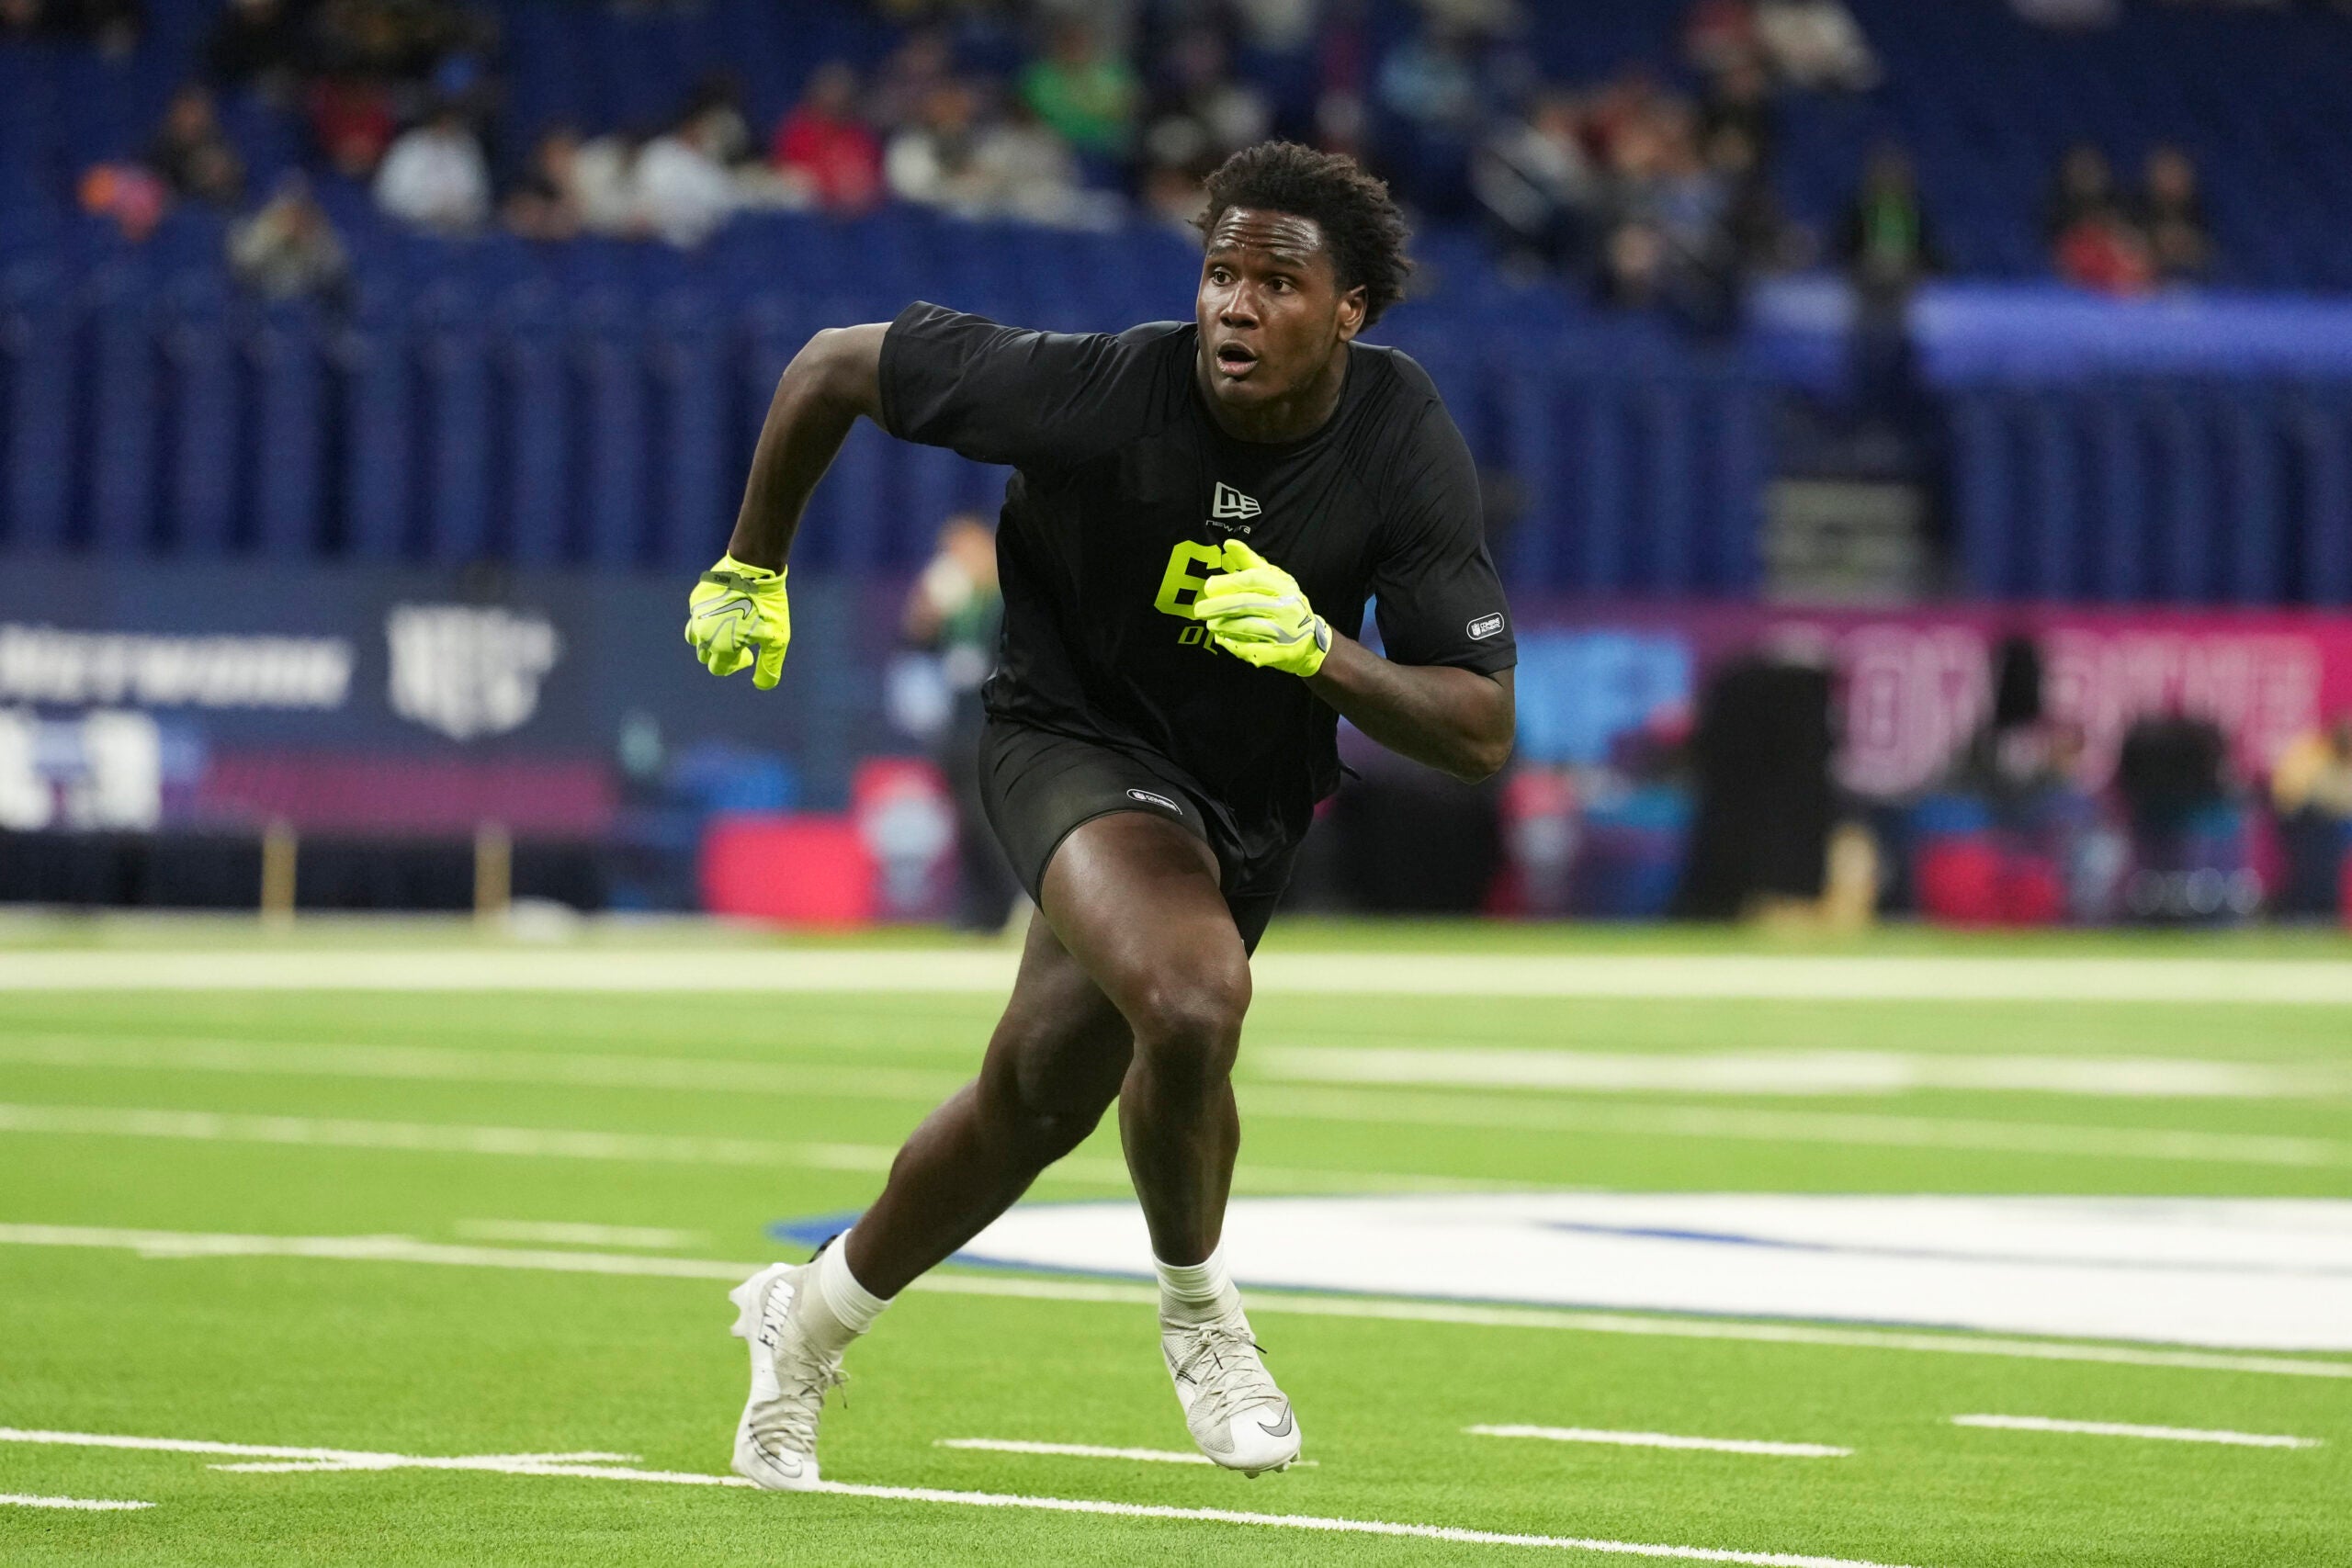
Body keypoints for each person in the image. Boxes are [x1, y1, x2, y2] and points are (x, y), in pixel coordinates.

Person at [684, 141, 1516, 1489]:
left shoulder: (1400, 430)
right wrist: (750, 564)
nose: (1235, 305)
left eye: (1277, 282)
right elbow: (835, 362)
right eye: (1219, 273)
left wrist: (1322, 653)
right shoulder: (1098, 389)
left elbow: (1479, 726)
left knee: (1035, 1098)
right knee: (1194, 997)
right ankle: (1205, 1318)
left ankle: (806, 1319)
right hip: (1067, 742)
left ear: (1350, 311)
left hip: (1246, 794)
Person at [902, 513, 1017, 931]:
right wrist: (925, 613)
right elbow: (921, 646)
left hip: (1000, 715)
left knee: (987, 812)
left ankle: (1012, 901)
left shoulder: (1005, 594)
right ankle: (981, 909)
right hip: (960, 717)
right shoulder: (956, 601)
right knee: (965, 816)